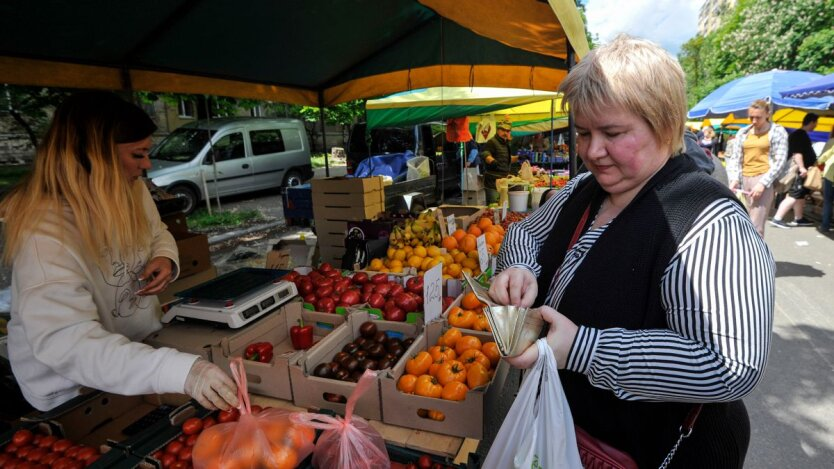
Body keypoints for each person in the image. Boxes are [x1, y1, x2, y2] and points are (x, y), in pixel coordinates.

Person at [490, 35, 773, 468]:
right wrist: (521, 269)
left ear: (663, 124)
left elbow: (730, 363)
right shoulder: (585, 190)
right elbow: (525, 234)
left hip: (655, 451)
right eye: (583, 132)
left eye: (613, 133)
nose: (590, 151)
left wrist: (582, 349)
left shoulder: (708, 222)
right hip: (570, 432)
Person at [0, 91, 239, 412]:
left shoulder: (129, 186)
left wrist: (165, 256)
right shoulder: (45, 235)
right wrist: (181, 371)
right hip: (75, 390)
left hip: (136, 352)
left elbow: (157, 232)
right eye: (138, 154)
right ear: (94, 157)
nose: (147, 164)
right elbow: (69, 342)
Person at [725, 99, 790, 237]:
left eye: (758, 117)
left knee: (755, 226)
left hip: (762, 178)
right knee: (742, 221)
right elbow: (735, 158)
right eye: (751, 117)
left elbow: (780, 161)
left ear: (768, 114)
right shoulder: (743, 132)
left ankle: (754, 257)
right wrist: (734, 179)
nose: (754, 121)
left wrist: (762, 184)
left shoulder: (777, 132)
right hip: (743, 178)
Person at [770, 113, 819, 228]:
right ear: (812, 122)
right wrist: (802, 168)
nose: (815, 126)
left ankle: (798, 218)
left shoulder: (798, 134)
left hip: (800, 171)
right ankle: (777, 218)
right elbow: (797, 153)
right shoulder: (800, 135)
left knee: (799, 195)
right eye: (815, 123)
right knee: (794, 194)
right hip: (798, 171)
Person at [480, 119, 515, 203]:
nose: (505, 133)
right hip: (493, 181)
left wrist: (519, 158)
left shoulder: (506, 143)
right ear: (498, 130)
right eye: (503, 130)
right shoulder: (492, 142)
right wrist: (491, 160)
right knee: (493, 206)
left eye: (507, 131)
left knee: (502, 205)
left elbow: (504, 158)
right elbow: (485, 153)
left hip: (503, 180)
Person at [817, 128, 834, 233]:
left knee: (828, 201)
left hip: (830, 174)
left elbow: (823, 157)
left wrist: (817, 162)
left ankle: (825, 225)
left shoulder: (832, 141)